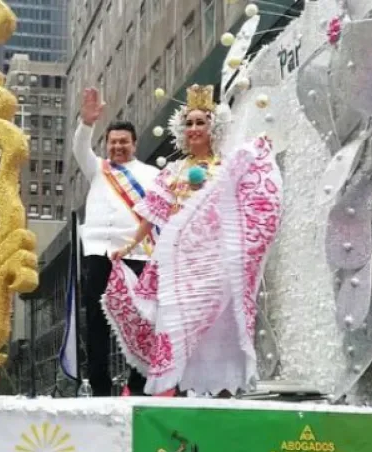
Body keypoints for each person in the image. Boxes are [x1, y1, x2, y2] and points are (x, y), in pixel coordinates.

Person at [102, 84, 283, 397]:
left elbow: (246, 202)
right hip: (177, 266)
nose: (195, 128)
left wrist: (258, 151)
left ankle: (225, 396)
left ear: (213, 127)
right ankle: (184, 397)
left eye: (201, 122)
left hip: (215, 265)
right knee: (180, 332)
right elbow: (152, 216)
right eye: (189, 123)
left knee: (217, 330)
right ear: (181, 131)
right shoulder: (173, 171)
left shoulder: (227, 167)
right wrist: (129, 247)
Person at [72, 87, 159, 397]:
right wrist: (87, 122)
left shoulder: (151, 175)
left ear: (134, 145)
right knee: (96, 321)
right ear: (106, 145)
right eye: (113, 142)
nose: (119, 146)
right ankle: (100, 389)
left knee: (139, 319)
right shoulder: (97, 169)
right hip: (98, 255)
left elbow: (160, 212)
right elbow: (80, 146)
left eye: (124, 142)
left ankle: (137, 386)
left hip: (138, 255)